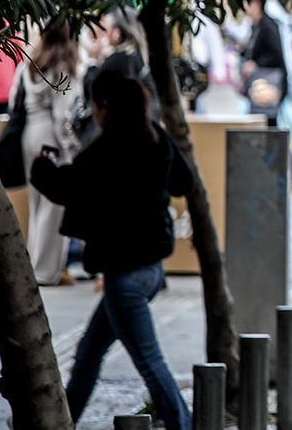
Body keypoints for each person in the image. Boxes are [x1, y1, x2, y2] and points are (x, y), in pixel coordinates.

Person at [29, 70, 194, 430]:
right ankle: (59, 421)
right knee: (88, 354)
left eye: (93, 105)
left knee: (150, 361)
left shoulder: (106, 151)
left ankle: (184, 425)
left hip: (125, 276)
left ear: (104, 105)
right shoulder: (157, 139)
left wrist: (42, 163)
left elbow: (60, 186)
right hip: (151, 271)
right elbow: (185, 181)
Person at [16, 23, 81, 286]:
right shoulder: (62, 69)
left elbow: (13, 101)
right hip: (52, 140)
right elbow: (63, 117)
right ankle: (46, 270)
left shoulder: (30, 65)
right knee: (54, 206)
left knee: (36, 203)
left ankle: (35, 262)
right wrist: (71, 149)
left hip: (30, 134)